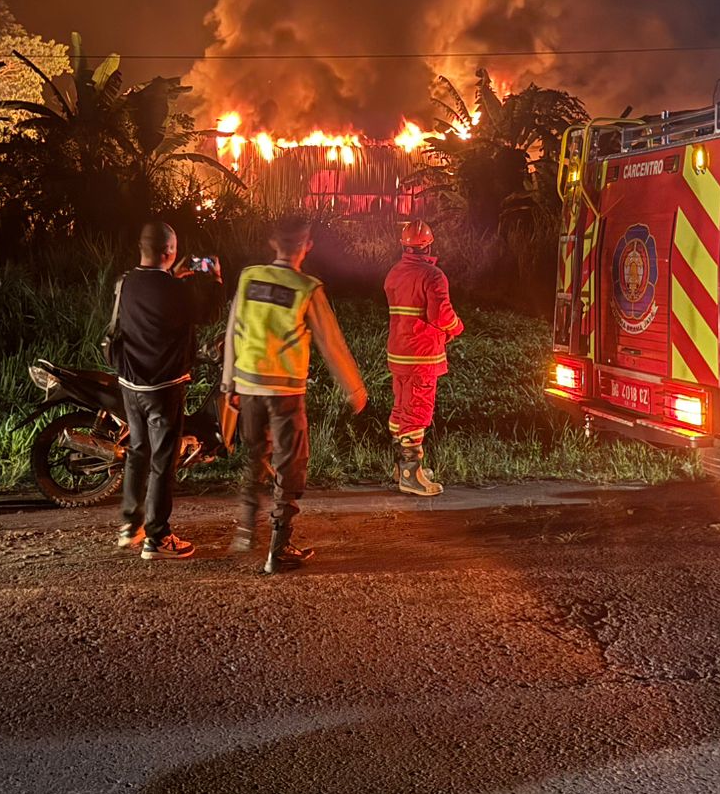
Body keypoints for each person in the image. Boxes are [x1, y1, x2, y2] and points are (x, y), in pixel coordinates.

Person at [222, 214, 367, 574]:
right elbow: (331, 342)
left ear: (273, 243)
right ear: (307, 245)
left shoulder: (249, 277)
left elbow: (233, 331)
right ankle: (278, 548)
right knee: (291, 464)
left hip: (250, 385)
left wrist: (229, 383)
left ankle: (244, 530)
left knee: (256, 455)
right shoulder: (307, 288)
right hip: (286, 391)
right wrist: (354, 388)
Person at [109, 221, 223, 561]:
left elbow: (154, 300)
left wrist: (176, 276)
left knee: (138, 452)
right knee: (163, 461)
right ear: (169, 252)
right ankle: (157, 537)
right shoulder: (177, 291)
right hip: (164, 388)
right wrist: (215, 278)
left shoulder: (126, 282)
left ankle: (131, 525)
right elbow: (209, 313)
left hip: (130, 384)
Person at [383, 219, 464, 497]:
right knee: (418, 410)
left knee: (401, 408)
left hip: (399, 352)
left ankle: (402, 467)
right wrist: (456, 327)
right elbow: (440, 315)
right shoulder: (433, 276)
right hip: (422, 355)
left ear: (403, 245)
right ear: (429, 243)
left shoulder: (394, 274)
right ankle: (410, 475)